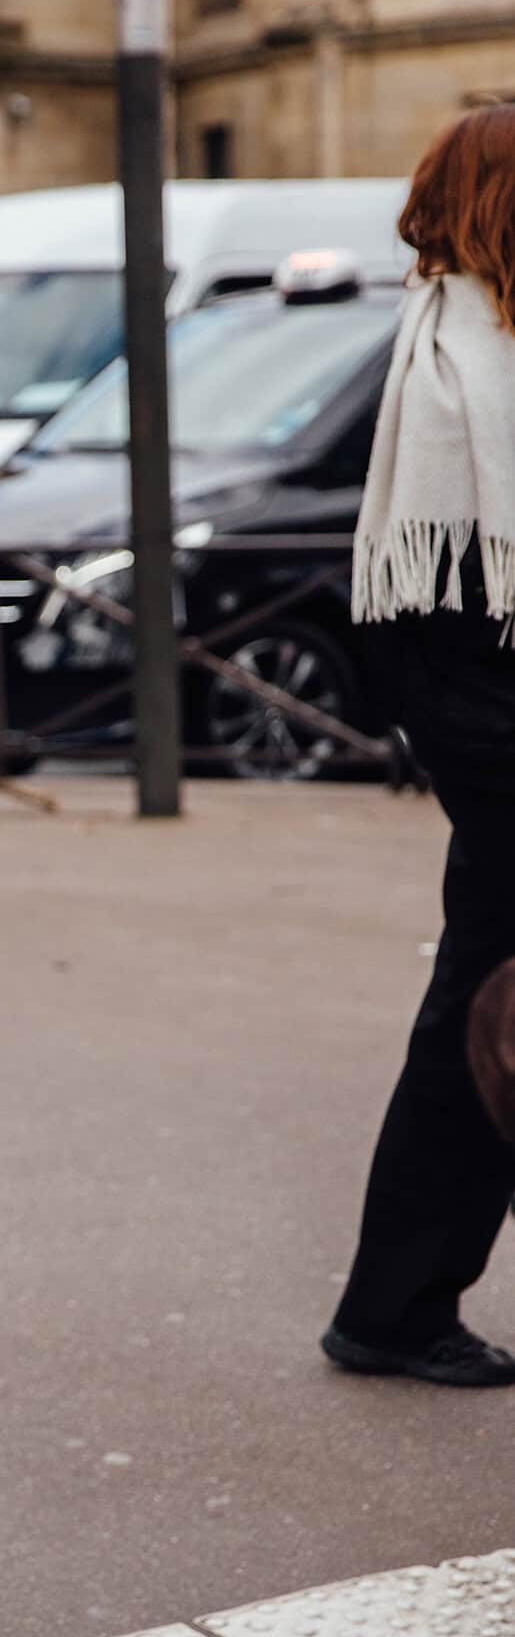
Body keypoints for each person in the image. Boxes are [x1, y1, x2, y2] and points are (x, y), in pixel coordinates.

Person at [325, 102, 515, 1388]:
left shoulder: (480, 342)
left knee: (478, 1011)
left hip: (482, 733)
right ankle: (392, 1307)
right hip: (494, 743)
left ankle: (394, 1300)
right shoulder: (451, 360)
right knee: (477, 1017)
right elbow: (416, 607)